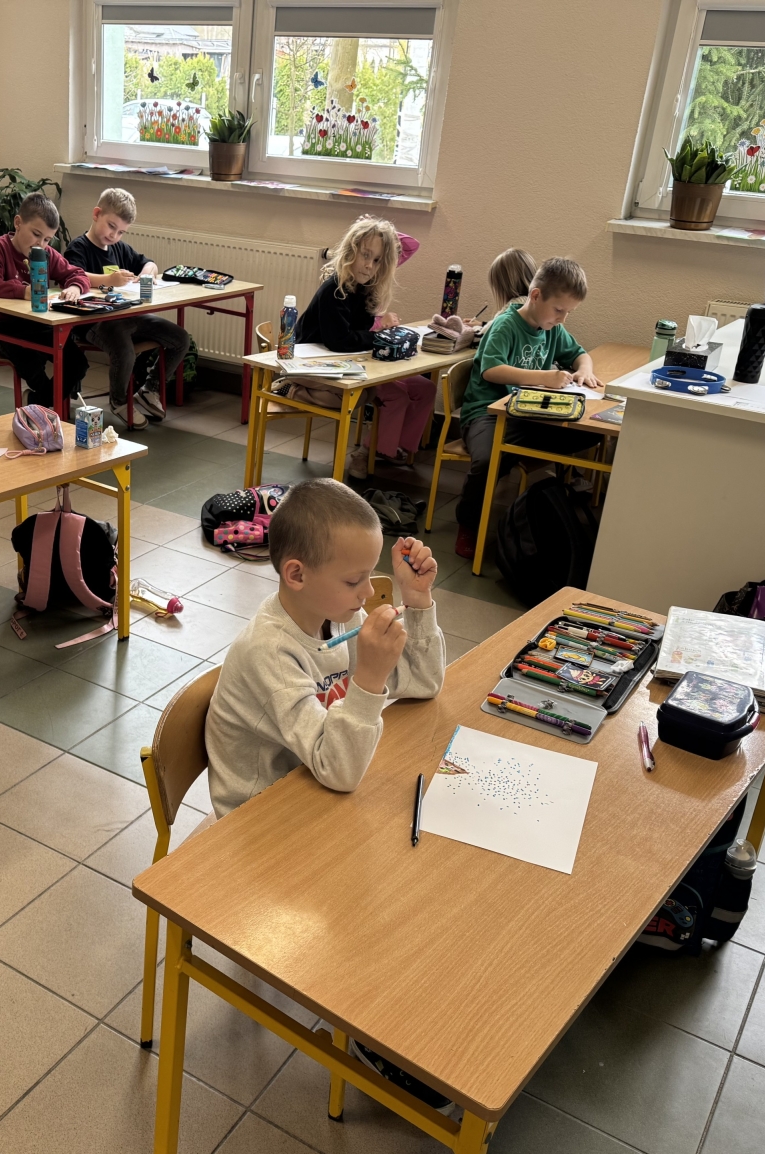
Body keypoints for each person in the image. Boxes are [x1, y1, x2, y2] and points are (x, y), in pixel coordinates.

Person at [205, 477, 445, 818]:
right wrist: (369, 679)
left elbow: (424, 683)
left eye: (369, 575)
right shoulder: (269, 652)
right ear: (297, 575)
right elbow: (339, 772)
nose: (367, 592)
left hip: (312, 785)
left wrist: (418, 601)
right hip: (259, 817)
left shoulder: (338, 614)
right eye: (353, 580)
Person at [294, 216, 476, 474]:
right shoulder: (335, 290)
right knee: (396, 395)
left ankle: (393, 447)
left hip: (354, 360)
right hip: (319, 364)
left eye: (378, 260)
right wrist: (379, 335)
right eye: (365, 255)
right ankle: (368, 451)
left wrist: (383, 236)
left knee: (425, 389)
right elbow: (340, 341)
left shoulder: (365, 288)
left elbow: (409, 246)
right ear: (350, 251)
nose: (370, 265)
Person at [453, 256, 603, 561]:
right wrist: (545, 377)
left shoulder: (552, 328)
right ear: (535, 296)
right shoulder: (505, 325)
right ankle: (469, 523)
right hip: (487, 412)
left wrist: (584, 370)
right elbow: (491, 370)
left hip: (527, 413)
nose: (562, 319)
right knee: (487, 460)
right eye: (559, 310)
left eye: (569, 312)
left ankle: (548, 499)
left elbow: (580, 354)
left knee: (591, 434)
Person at [61, 187, 192, 430]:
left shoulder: (120, 248)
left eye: (121, 231)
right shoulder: (78, 247)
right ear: (96, 214)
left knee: (180, 338)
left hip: (128, 315)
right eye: (111, 226)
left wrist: (148, 272)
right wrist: (108, 280)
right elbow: (73, 275)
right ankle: (119, 401)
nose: (114, 235)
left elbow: (149, 263)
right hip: (94, 322)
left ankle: (149, 389)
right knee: (125, 350)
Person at [0, 192, 90, 412]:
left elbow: (77, 273)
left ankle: (38, 402)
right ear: (18, 223)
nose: (41, 244)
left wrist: (75, 287)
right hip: (5, 329)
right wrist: (23, 291)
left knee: (77, 363)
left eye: (47, 239)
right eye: (36, 234)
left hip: (39, 325)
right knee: (30, 361)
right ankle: (45, 406)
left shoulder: (46, 254)